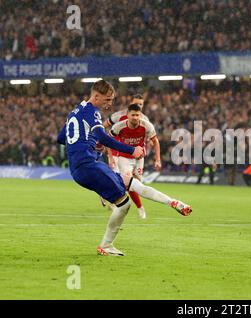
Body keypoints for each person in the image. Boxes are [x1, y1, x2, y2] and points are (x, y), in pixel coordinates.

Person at [57, 80, 192, 256]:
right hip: (88, 166)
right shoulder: (92, 112)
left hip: (83, 166)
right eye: (107, 99)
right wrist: (131, 150)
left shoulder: (75, 112)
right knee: (124, 204)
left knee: (130, 183)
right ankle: (106, 246)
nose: (110, 103)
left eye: (111, 99)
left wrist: (87, 142)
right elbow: (103, 137)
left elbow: (61, 137)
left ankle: (172, 202)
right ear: (95, 96)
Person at [109, 103, 161, 219]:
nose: (136, 118)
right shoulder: (119, 126)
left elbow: (156, 141)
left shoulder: (146, 125)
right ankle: (137, 208)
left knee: (137, 185)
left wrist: (157, 159)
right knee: (129, 183)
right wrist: (111, 157)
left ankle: (123, 202)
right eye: (133, 115)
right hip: (124, 158)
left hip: (139, 158)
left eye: (137, 115)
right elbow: (108, 140)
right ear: (127, 115)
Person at [103, 94, 149, 211]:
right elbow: (104, 126)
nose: (138, 105)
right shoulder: (119, 116)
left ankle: (105, 193)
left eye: (140, 104)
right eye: (136, 103)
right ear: (131, 103)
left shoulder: (144, 120)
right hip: (116, 152)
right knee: (122, 179)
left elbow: (146, 137)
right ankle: (114, 202)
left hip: (134, 155)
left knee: (135, 182)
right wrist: (105, 144)